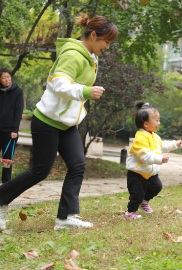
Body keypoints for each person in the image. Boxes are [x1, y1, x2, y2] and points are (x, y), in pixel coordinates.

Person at [0, 14, 118, 231]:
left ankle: (66, 217)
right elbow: (59, 85)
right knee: (40, 171)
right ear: (93, 35)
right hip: (47, 122)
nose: (107, 47)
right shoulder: (73, 55)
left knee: (77, 165)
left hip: (66, 124)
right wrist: (86, 91)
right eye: (107, 42)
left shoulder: (91, 56)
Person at [125, 101, 182, 219]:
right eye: (156, 120)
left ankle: (144, 202)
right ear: (146, 124)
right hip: (138, 173)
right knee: (137, 194)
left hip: (151, 173)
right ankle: (130, 213)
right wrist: (159, 159)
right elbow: (144, 156)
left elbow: (163, 145)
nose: (159, 123)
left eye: (158, 120)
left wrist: (175, 144)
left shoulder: (154, 136)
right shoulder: (140, 138)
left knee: (157, 186)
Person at [0, 68, 24, 183]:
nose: (6, 80)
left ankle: (5, 184)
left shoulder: (17, 92)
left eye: (8, 77)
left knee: (6, 160)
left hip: (10, 132)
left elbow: (18, 111)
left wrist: (15, 129)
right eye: (3, 78)